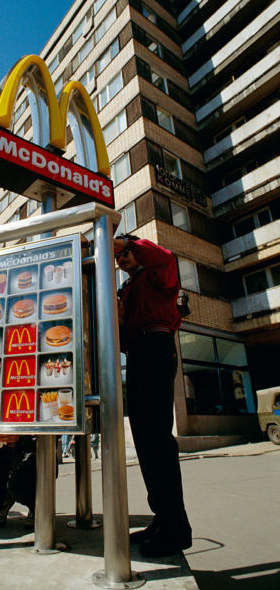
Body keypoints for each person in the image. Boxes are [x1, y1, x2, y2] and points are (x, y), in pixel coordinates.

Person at [114, 233, 192, 557]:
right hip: (137, 353)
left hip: (157, 346)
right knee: (145, 440)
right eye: (118, 257)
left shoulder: (155, 273)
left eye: (125, 253)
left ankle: (175, 528)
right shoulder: (127, 288)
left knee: (157, 439)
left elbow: (165, 258)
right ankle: (163, 518)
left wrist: (127, 242)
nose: (122, 258)